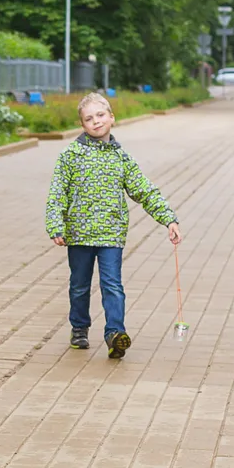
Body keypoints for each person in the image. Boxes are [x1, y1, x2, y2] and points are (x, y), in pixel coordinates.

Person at [45, 93, 181, 359]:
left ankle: (115, 334)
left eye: (100, 115)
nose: (96, 121)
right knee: (80, 285)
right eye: (89, 118)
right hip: (79, 235)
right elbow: (57, 193)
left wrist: (169, 219)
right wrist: (55, 225)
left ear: (112, 118)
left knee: (112, 285)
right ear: (82, 125)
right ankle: (80, 328)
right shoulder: (70, 155)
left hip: (111, 234)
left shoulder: (121, 158)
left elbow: (143, 190)